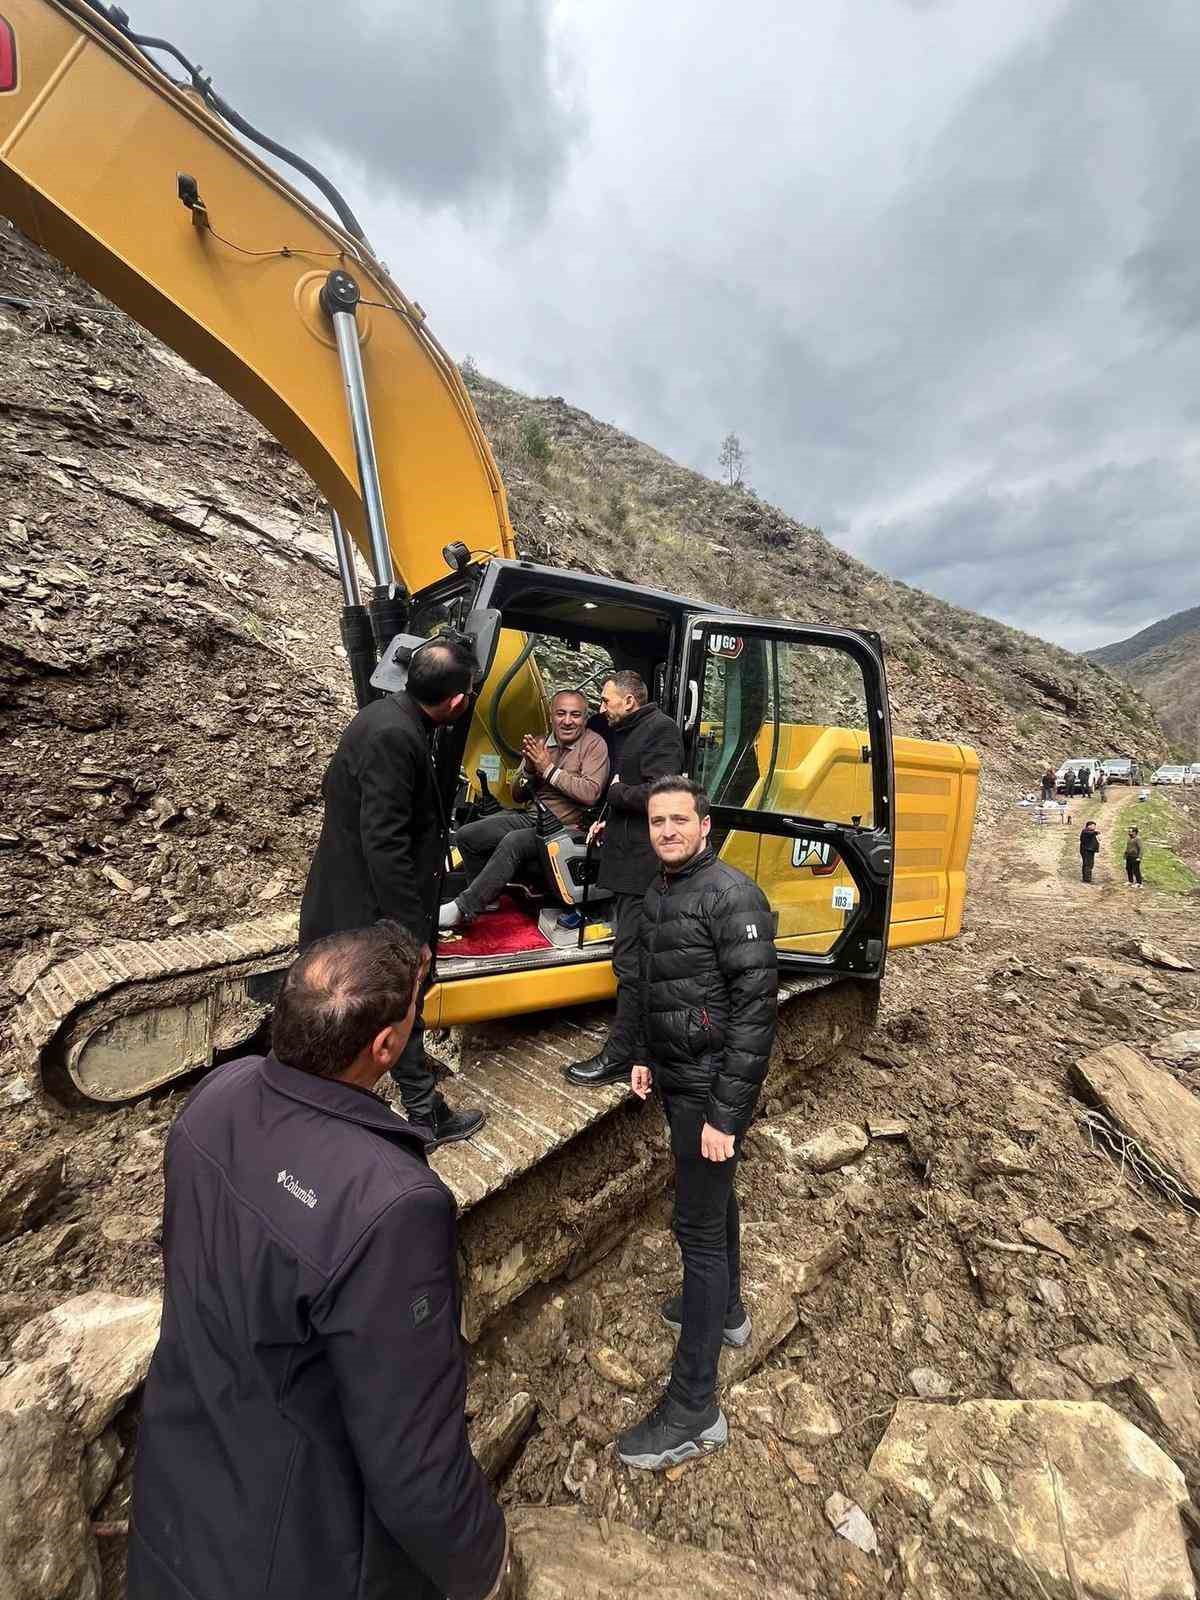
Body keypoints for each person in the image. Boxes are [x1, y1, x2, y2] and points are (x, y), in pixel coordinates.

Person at [127, 924, 511, 1600]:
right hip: (294, 1548)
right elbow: (413, 1460)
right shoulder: (392, 1206)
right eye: (415, 1005)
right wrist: (486, 1568)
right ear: (384, 1046)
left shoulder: (218, 1093)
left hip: (177, 1496)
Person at [617, 777, 777, 1471]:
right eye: (658, 821)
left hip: (710, 1093)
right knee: (714, 1208)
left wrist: (724, 1116)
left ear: (705, 825)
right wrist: (644, 1055)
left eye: (679, 820)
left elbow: (756, 1016)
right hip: (679, 1080)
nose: (667, 831)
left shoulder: (733, 896)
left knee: (698, 1236)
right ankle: (729, 1311)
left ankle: (693, 1409)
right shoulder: (661, 890)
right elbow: (661, 985)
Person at [299, 634, 484, 1147]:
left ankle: (421, 1107)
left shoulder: (381, 719)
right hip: (368, 911)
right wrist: (409, 933)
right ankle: (423, 1116)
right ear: (456, 701)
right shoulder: (396, 738)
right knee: (393, 1008)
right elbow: (386, 844)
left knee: (383, 1011)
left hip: (353, 899)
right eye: (469, 692)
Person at [564, 671, 685, 1086]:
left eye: (606, 700)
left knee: (631, 964)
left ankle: (623, 1056)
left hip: (641, 869)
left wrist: (615, 794)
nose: (601, 708)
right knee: (628, 960)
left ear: (629, 701)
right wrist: (608, 820)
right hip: (626, 861)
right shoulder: (632, 731)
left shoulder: (661, 731)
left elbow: (662, 795)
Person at [439, 689, 609, 928]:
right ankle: (486, 899)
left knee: (515, 841)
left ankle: (464, 907)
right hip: (531, 816)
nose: (567, 721)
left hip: (566, 827)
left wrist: (547, 769)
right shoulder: (540, 743)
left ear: (585, 717)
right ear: (551, 715)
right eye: (561, 713)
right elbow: (517, 795)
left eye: (575, 715)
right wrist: (529, 769)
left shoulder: (595, 745)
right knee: (468, 835)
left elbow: (590, 793)